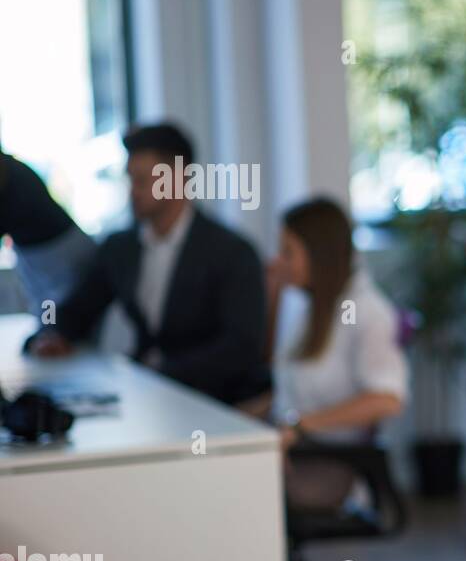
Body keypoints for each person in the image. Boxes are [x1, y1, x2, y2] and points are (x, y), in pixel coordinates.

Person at [24, 122, 269, 406]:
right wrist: (52, 333)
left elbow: (240, 348)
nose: (133, 192)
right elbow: (78, 308)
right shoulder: (121, 248)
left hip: (214, 401)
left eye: (142, 181)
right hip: (145, 398)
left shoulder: (232, 253)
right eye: (130, 180)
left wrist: (158, 373)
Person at [259, 196, 408, 508]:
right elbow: (285, 384)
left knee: (229, 484)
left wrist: (300, 426)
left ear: (318, 254)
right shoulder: (313, 309)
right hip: (299, 451)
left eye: (288, 252)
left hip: (329, 462)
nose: (279, 262)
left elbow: (387, 399)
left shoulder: (367, 312)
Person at [0, 144, 96, 319]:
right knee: (48, 313)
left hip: (60, 252)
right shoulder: (12, 171)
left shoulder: (15, 177)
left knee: (67, 316)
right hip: (37, 255)